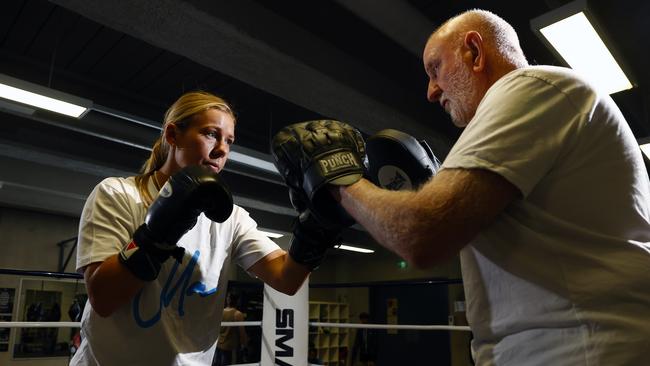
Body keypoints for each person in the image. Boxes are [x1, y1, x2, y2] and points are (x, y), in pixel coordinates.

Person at [274, 9, 650, 366]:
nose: (431, 91)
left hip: (580, 348)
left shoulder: (533, 86)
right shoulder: (545, 112)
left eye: (434, 69)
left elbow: (421, 233)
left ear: (474, 51)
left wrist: (338, 180)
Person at [71, 91, 329, 365]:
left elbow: (287, 279)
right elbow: (103, 299)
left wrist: (318, 221)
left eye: (229, 140)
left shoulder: (231, 218)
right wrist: (157, 234)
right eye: (210, 134)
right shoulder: (118, 195)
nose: (222, 149)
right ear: (173, 135)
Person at [213, 292, 247, 366]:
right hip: (230, 348)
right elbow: (242, 333)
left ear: (227, 300)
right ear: (237, 301)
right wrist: (244, 344)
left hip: (218, 345)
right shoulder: (237, 314)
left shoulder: (221, 312)